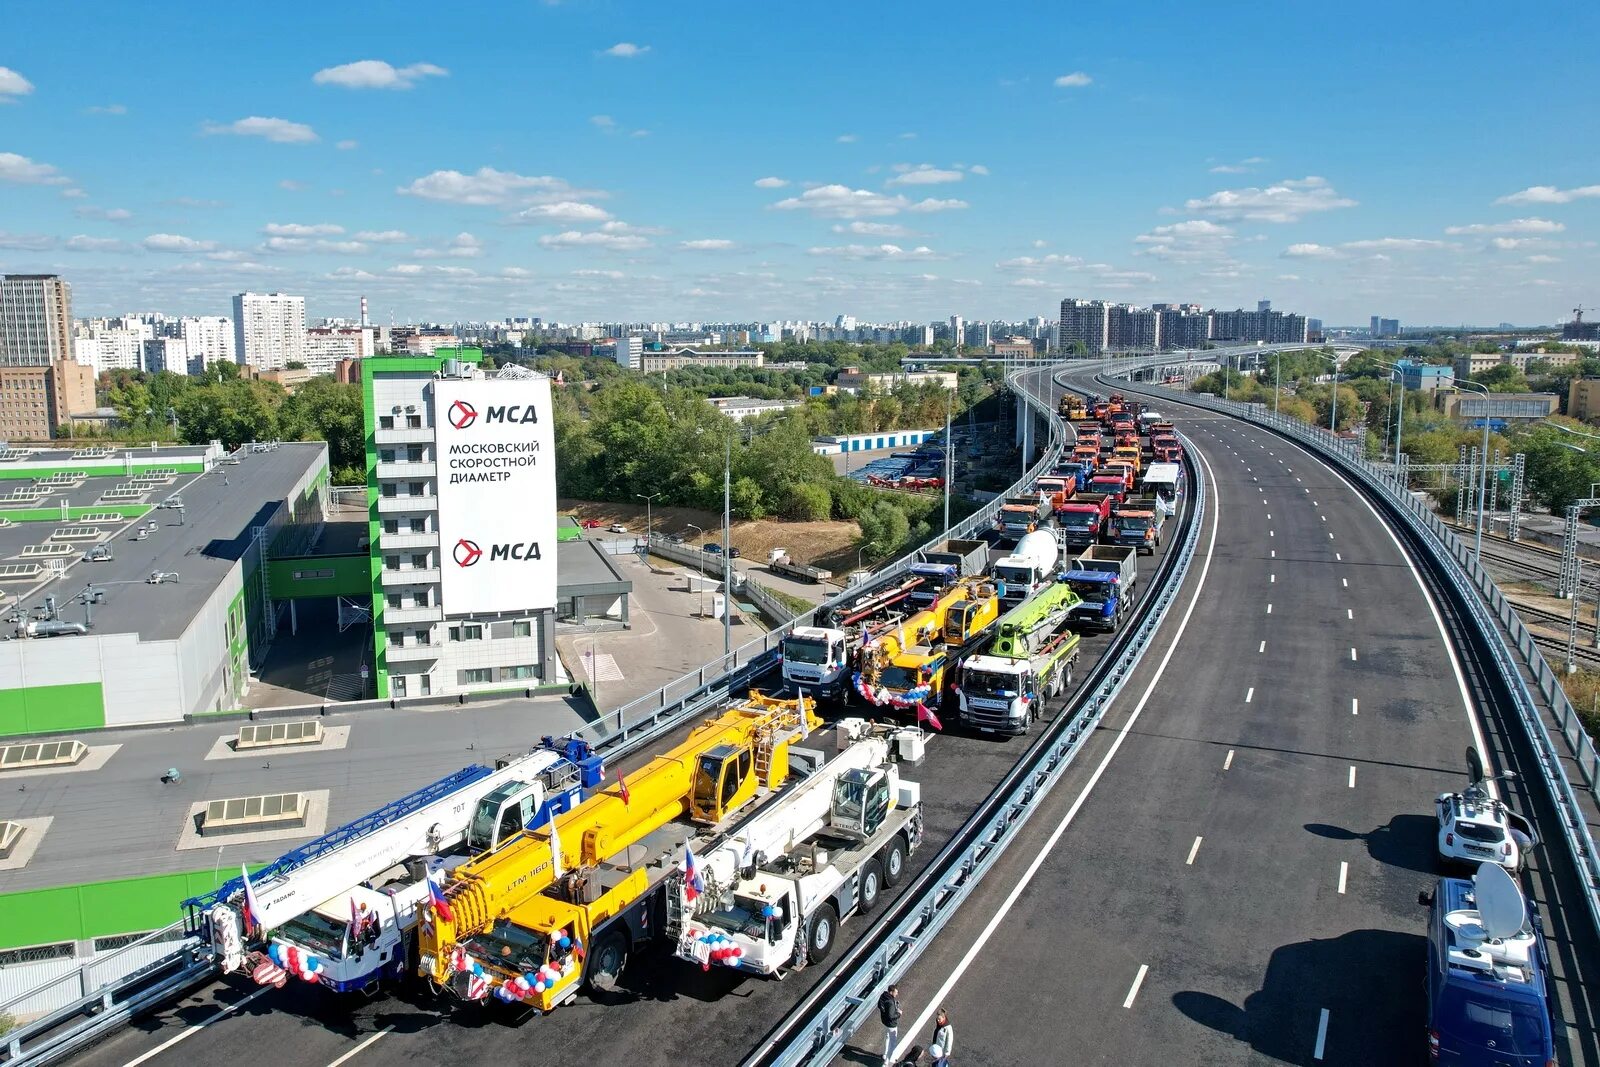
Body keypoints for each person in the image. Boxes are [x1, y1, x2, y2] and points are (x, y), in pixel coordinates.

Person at [877, 984, 901, 1067]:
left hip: (885, 1022)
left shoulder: (883, 996)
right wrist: (898, 1013)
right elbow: (891, 1016)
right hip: (891, 1024)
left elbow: (880, 1006)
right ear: (891, 992)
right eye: (896, 992)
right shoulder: (890, 1002)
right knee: (893, 1043)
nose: (897, 994)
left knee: (887, 1037)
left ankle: (885, 1054)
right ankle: (887, 1061)